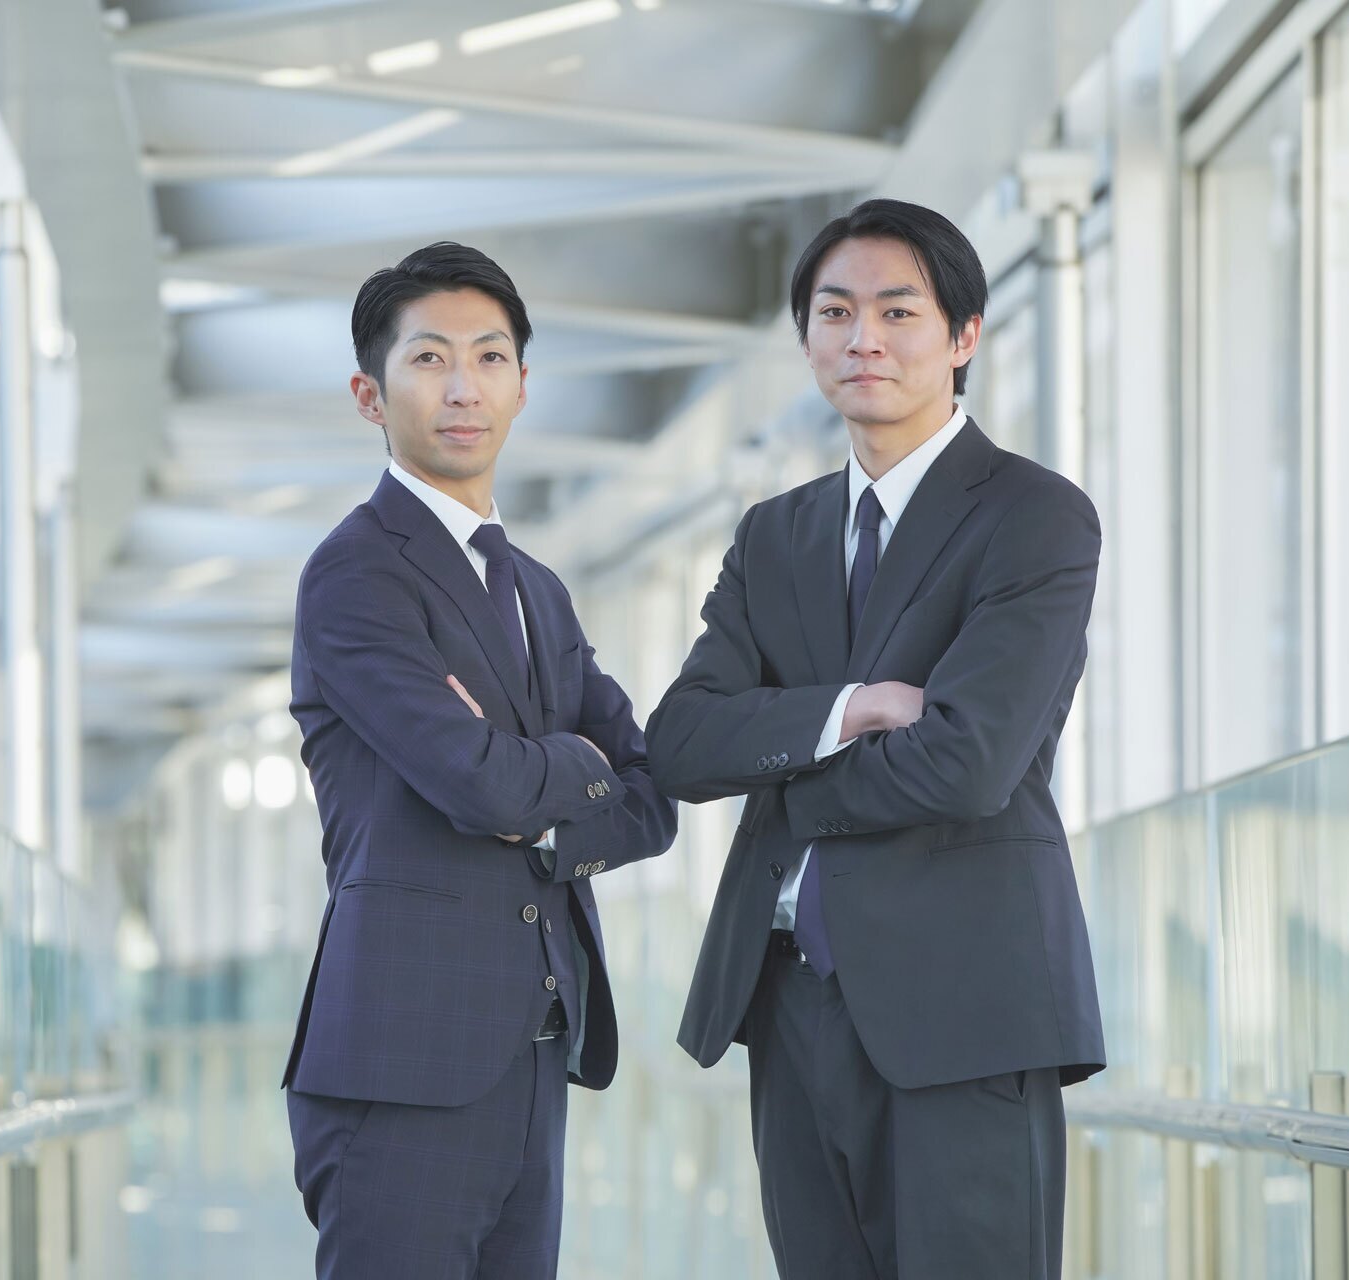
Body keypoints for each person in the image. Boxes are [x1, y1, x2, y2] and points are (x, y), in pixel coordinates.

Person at [647, 198, 1105, 1279]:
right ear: (806, 338)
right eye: (835, 312)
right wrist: (847, 710)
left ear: (964, 336)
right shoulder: (777, 534)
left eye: (898, 311)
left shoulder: (1034, 516)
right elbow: (679, 742)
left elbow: (969, 759)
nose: (864, 339)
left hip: (965, 1007)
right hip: (789, 998)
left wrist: (784, 777)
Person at [283, 241, 679, 1279]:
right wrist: (562, 764)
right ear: (370, 392)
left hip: (531, 1050)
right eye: (428, 360)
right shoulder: (355, 575)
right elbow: (476, 780)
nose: (463, 387)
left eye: (490, 357)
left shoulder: (536, 588)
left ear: (522, 383)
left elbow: (650, 797)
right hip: (402, 1063)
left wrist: (534, 774)